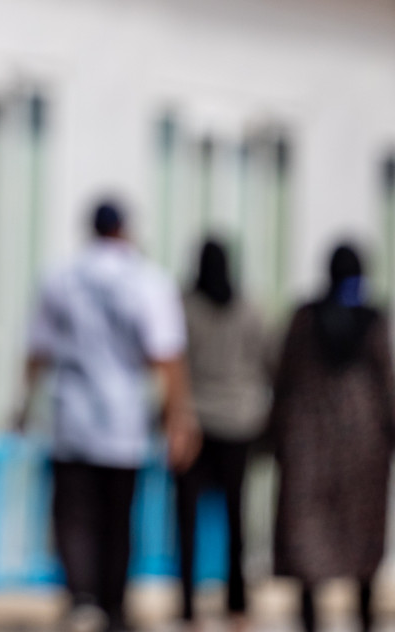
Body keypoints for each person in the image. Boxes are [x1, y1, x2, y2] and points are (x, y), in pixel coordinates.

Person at [19, 200, 198, 632]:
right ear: (125, 230)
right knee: (118, 519)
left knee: (74, 515)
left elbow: (37, 351)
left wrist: (22, 405)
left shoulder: (60, 276)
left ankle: (81, 597)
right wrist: (179, 418)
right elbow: (167, 357)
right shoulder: (147, 279)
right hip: (124, 419)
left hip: (71, 416)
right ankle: (114, 606)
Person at [271, 243, 395, 632]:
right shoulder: (372, 320)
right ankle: (364, 612)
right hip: (363, 442)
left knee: (307, 531)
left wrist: (278, 432)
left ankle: (311, 616)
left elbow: (282, 376)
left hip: (308, 439)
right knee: (361, 530)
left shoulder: (304, 318)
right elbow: (387, 381)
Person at [174, 238, 273, 628]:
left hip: (192, 423)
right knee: (235, 518)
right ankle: (237, 602)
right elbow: (268, 361)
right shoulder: (251, 309)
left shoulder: (183, 307)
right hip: (239, 423)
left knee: (186, 520)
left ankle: (187, 605)